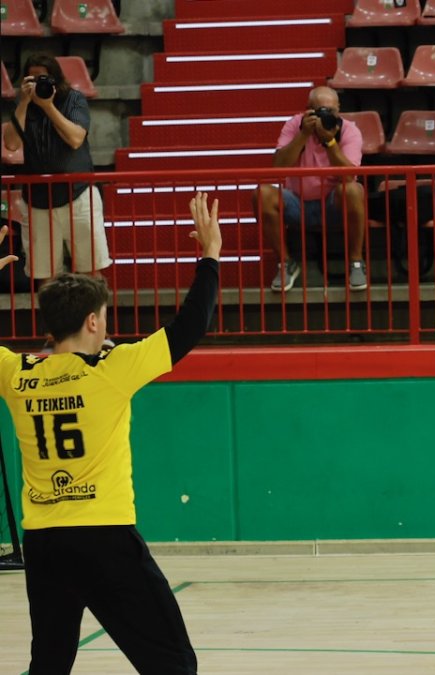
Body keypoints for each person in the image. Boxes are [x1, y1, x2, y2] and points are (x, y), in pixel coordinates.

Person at [0, 193, 222, 674]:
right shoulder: (113, 369)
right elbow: (192, 324)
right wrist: (210, 254)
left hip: (44, 542)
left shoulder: (16, 375)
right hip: (104, 538)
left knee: (51, 664)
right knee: (174, 664)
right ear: (93, 320)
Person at [1, 53, 111, 283]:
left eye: (43, 78)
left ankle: (95, 319)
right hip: (38, 200)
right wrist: (23, 102)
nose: (38, 83)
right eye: (32, 78)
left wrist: (48, 106)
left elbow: (75, 139)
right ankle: (52, 319)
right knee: (45, 276)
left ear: (55, 79)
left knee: (91, 273)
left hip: (79, 195)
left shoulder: (73, 99)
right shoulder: (24, 105)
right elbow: (11, 144)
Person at [256, 86, 367, 292]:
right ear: (308, 110)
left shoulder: (349, 130)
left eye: (331, 112)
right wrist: (303, 135)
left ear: (339, 109)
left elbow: (350, 176)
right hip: (297, 203)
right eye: (320, 111)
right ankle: (286, 263)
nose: (326, 116)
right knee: (262, 193)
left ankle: (356, 262)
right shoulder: (295, 125)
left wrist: (330, 141)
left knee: (353, 190)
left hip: (333, 205)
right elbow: (278, 167)